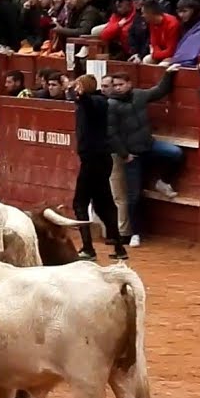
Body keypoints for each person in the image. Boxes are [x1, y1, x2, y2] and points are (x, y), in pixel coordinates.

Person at [107, 64, 183, 247]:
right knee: (134, 196)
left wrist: (169, 73)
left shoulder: (140, 95)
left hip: (148, 146)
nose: (117, 88)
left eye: (120, 84)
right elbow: (111, 133)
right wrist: (124, 155)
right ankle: (136, 233)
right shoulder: (111, 105)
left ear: (129, 84)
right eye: (114, 85)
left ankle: (162, 181)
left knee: (176, 153)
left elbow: (159, 91)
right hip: (132, 155)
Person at [71, 74, 129, 261]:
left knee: (80, 203)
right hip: (101, 159)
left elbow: (87, 103)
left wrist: (82, 95)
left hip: (93, 161)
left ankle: (88, 248)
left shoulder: (94, 102)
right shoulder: (100, 101)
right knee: (103, 204)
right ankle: (119, 248)